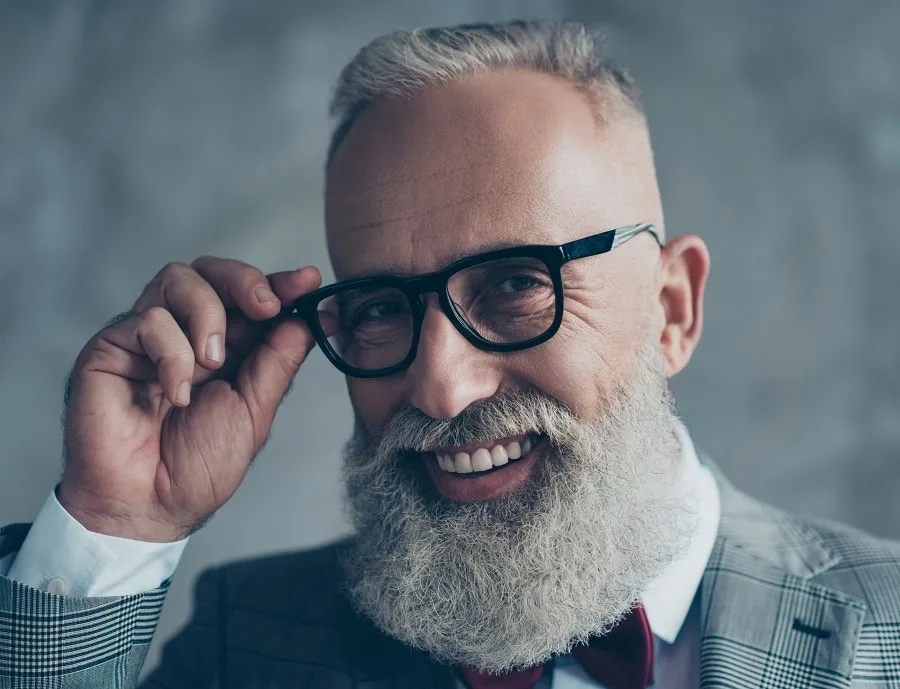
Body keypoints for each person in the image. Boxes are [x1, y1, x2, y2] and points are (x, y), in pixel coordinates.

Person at [1, 19, 898, 689]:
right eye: (384, 307)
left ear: (672, 309)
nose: (439, 383)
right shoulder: (257, 640)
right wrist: (118, 523)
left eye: (515, 284)